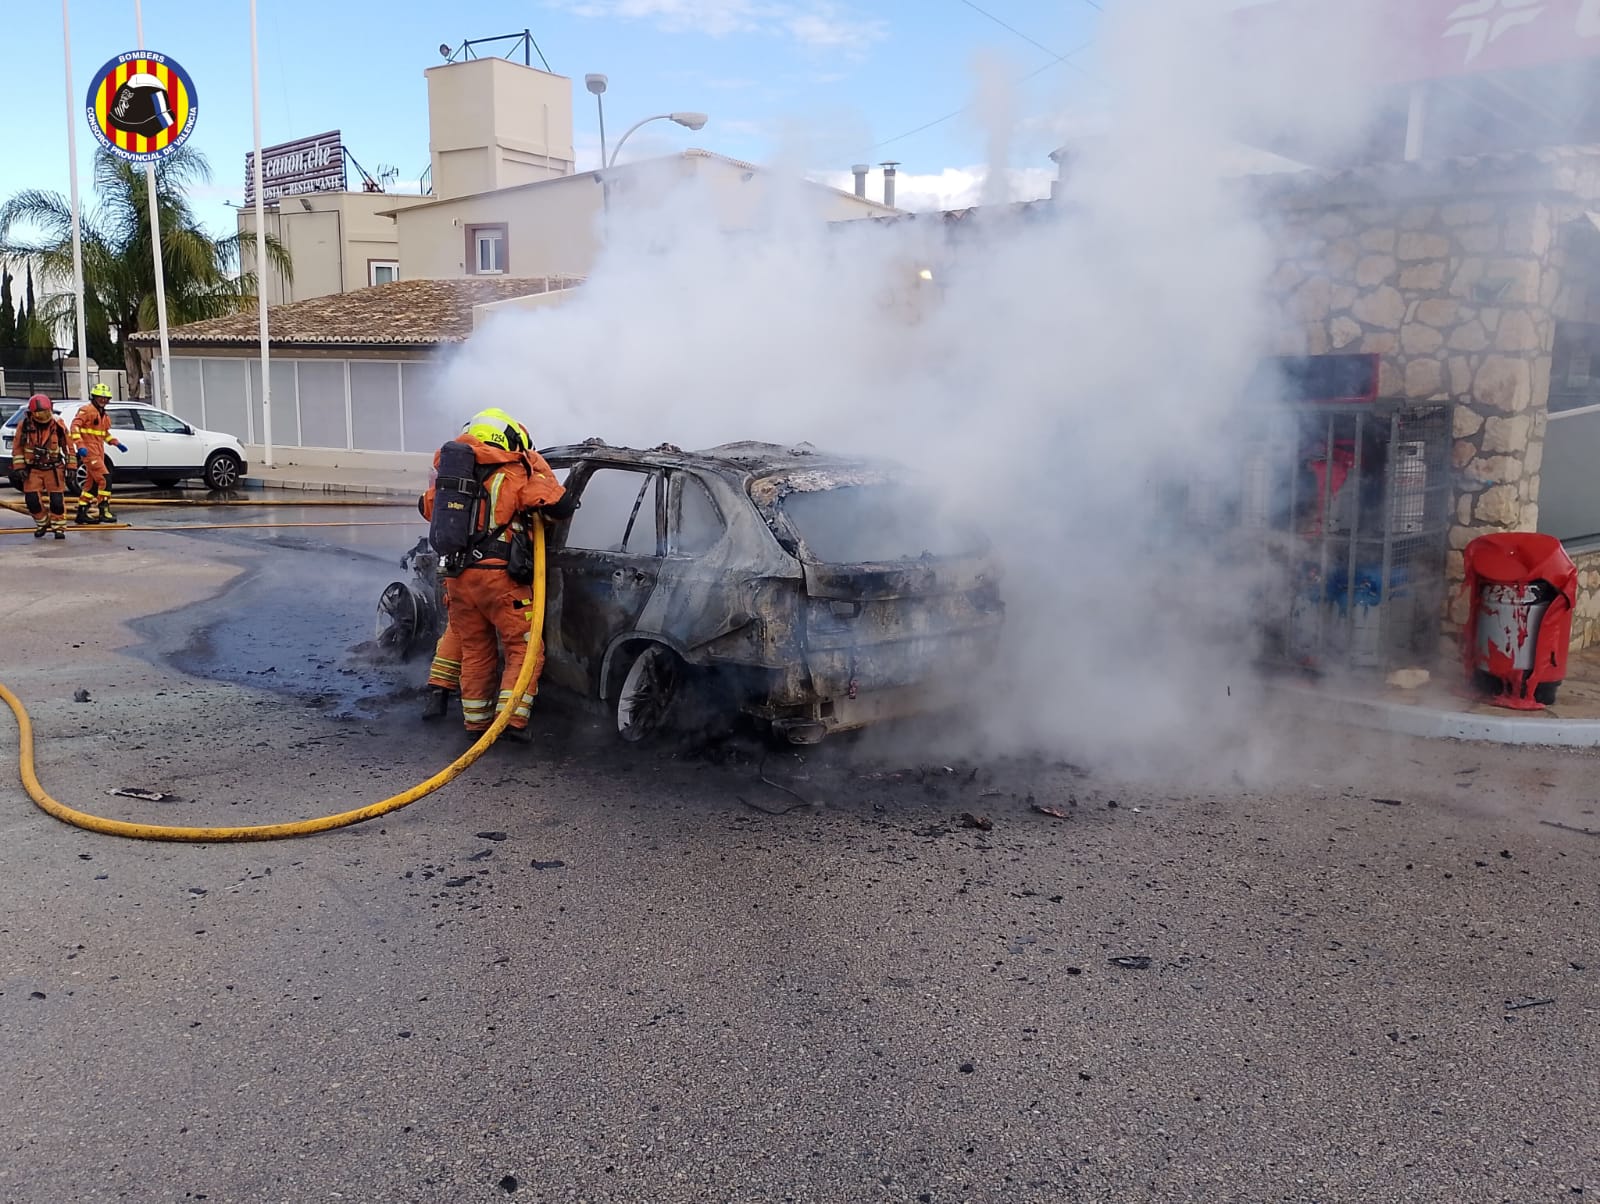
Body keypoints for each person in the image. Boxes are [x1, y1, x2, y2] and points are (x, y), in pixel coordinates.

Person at [418, 408, 577, 741]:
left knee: (475, 649)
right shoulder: (515, 473)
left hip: (460, 577)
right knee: (523, 649)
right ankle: (510, 723)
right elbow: (559, 507)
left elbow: (426, 508)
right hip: (502, 581)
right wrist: (537, 466)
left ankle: (475, 724)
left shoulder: (452, 478)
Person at [12, 396, 73, 540]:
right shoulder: (24, 425)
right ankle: (43, 523)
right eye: (39, 413)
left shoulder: (58, 425)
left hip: (54, 468)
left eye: (45, 412)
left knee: (57, 502)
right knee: (32, 501)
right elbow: (17, 447)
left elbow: (68, 447)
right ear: (32, 413)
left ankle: (59, 528)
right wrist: (19, 467)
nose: (42, 416)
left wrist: (72, 467)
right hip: (33, 469)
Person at [70, 383, 130, 524]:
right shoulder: (86, 410)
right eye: (100, 398)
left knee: (91, 486)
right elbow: (74, 427)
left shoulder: (103, 415)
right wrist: (80, 445)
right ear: (94, 397)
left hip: (98, 452)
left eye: (106, 398)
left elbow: (104, 434)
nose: (103, 400)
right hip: (90, 452)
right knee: (105, 479)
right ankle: (104, 510)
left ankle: (82, 513)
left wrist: (116, 443)